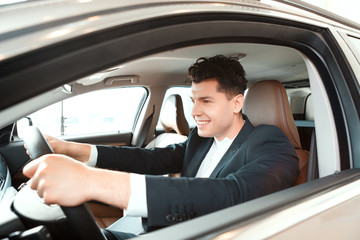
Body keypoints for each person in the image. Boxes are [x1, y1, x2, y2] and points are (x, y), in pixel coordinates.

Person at [23, 55, 299, 239]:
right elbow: (150, 160)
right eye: (192, 100)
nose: (194, 111)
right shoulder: (200, 138)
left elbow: (233, 193)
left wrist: (93, 182)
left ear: (237, 103)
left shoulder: (270, 143)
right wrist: (73, 150)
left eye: (206, 101)